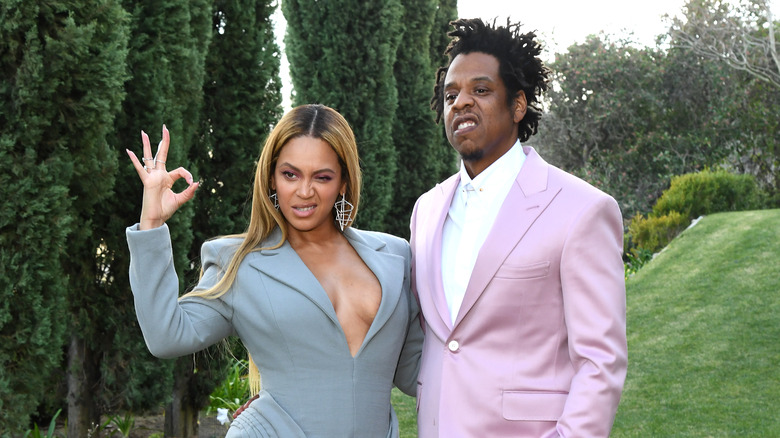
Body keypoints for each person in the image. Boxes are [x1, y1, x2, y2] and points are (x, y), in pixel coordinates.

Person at [125, 104, 422, 437]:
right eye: (290, 174)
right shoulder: (238, 262)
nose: (304, 191)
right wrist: (151, 223)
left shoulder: (395, 257)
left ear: (343, 182)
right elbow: (166, 336)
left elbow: (417, 373)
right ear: (271, 177)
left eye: (322, 177)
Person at [410, 19, 627, 437]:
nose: (461, 103)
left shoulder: (582, 210)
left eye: (481, 90)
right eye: (450, 94)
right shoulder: (426, 210)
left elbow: (601, 361)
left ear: (518, 105)